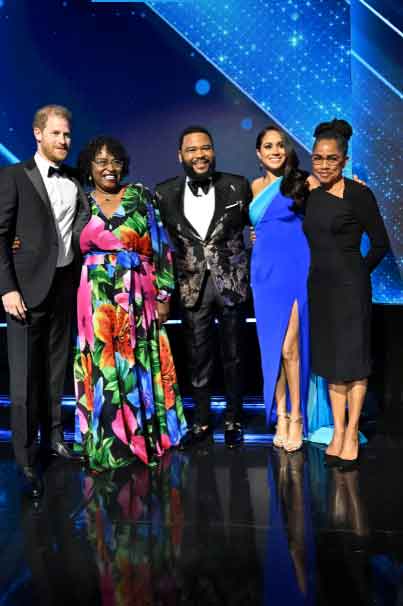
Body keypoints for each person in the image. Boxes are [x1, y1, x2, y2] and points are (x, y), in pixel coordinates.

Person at [73, 136, 188, 471]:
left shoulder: (140, 196)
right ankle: (109, 444)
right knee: (104, 368)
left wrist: (164, 295)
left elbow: (161, 245)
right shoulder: (81, 202)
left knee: (136, 363)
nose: (109, 168)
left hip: (137, 294)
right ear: (89, 168)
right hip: (94, 298)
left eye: (116, 161)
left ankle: (142, 438)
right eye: (101, 162)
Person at [0, 104, 89, 499]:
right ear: (38, 134)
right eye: (56, 133)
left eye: (67, 134)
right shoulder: (13, 177)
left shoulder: (74, 179)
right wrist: (7, 288)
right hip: (24, 293)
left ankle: (55, 439)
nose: (63, 141)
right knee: (23, 379)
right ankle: (24, 457)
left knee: (56, 371)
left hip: (64, 288)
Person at [155, 126, 252, 448]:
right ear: (180, 155)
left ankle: (234, 418)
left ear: (213, 150)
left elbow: (263, 219)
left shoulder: (238, 186)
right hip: (191, 284)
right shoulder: (163, 193)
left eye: (205, 148)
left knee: (235, 355)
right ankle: (201, 420)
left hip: (231, 282)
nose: (200, 155)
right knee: (198, 356)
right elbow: (156, 240)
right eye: (192, 150)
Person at [303, 119, 389, 468]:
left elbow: (380, 243)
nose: (324, 165)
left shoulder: (358, 194)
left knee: (353, 362)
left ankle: (352, 432)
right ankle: (337, 432)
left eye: (332, 159)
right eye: (318, 158)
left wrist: (358, 272)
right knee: (331, 363)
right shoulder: (309, 195)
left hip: (351, 289)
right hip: (320, 287)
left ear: (344, 160)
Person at [250, 125, 331, 453]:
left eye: (280, 145)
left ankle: (297, 416)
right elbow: (260, 227)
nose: (275, 150)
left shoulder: (303, 181)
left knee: (289, 349)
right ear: (259, 153)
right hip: (263, 273)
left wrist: (356, 189)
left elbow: (332, 203)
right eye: (268, 146)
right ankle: (280, 415)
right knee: (273, 349)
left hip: (296, 269)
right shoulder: (254, 186)